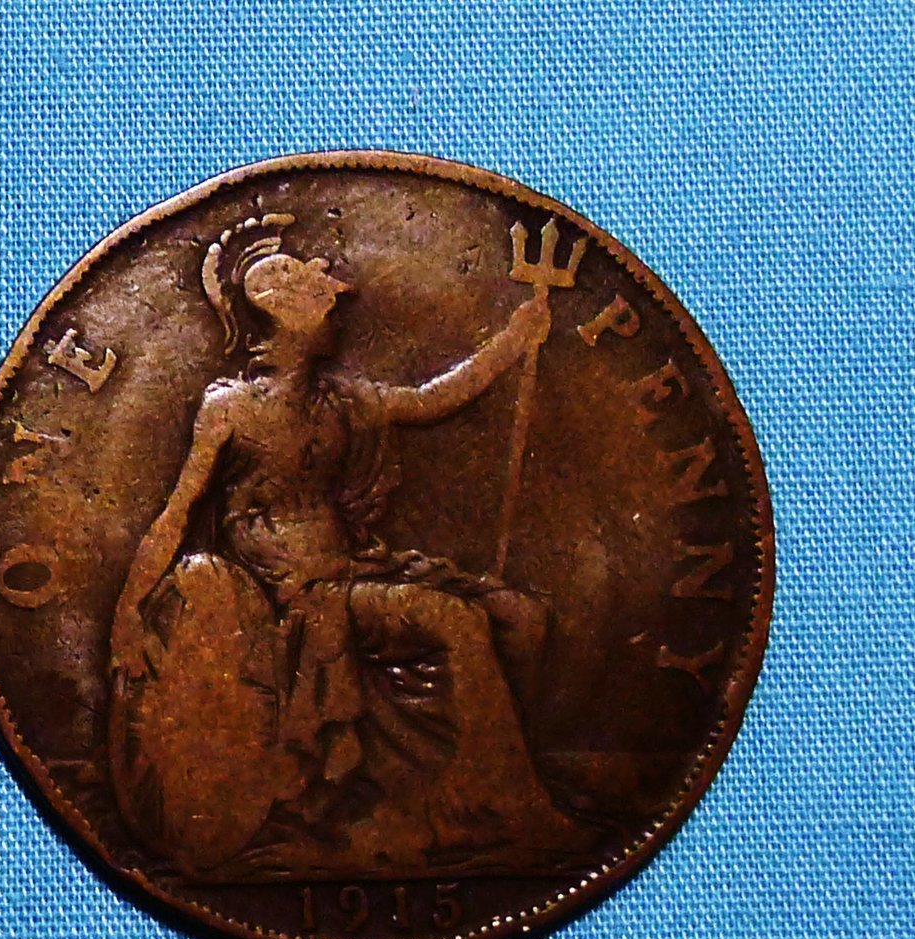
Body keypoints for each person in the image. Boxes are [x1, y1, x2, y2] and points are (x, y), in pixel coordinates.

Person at [107, 212, 585, 879]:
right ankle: (498, 809)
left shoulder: (340, 400)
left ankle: (442, 792)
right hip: (291, 596)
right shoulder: (229, 408)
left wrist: (511, 341)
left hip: (356, 570)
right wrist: (128, 612)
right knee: (452, 620)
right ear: (285, 317)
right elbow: (176, 511)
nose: (339, 310)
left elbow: (430, 400)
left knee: (520, 618)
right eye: (325, 302)